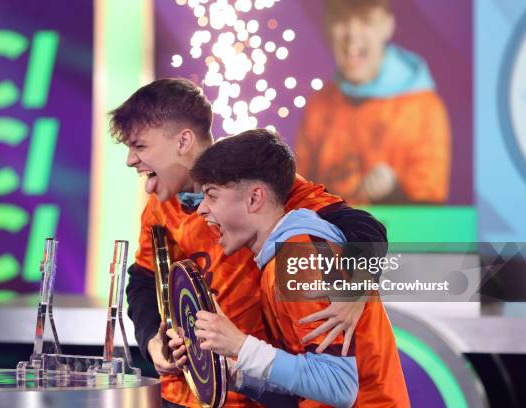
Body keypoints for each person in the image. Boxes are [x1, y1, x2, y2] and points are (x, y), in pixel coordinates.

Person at [110, 78, 388, 407]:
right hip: (191, 389)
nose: (130, 159)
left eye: (140, 146)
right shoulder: (159, 206)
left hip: (263, 392)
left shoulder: (263, 185)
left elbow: (364, 228)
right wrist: (155, 341)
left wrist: (357, 286)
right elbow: (143, 279)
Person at [173, 129, 409, 406]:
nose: (201, 210)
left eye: (212, 195)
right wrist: (236, 375)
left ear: (254, 198)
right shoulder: (280, 258)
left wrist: (239, 344)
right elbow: (308, 378)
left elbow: (338, 386)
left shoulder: (299, 256)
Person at [295, 0, 451, 204]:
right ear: (327, 27)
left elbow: (431, 210)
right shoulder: (319, 103)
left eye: (366, 21)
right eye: (342, 21)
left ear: (388, 26)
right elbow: (299, 193)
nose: (352, 34)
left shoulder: (424, 108)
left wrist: (393, 193)